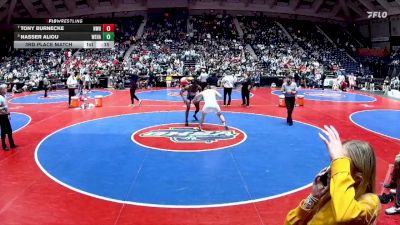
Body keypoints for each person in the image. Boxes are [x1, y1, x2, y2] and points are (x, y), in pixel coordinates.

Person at [285, 125, 380, 225]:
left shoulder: (370, 202)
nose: (331, 169)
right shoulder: (331, 192)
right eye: (333, 163)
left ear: (357, 178)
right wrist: (313, 197)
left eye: (340, 165)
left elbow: (344, 215)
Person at [0, 84, 17, 151]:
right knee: (3, 131)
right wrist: (4, 110)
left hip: (5, 115)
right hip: (1, 116)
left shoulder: (5, 96)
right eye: (5, 88)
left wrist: (8, 114)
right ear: (1, 90)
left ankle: (12, 144)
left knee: (9, 130)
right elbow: (2, 107)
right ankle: (4, 145)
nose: (6, 89)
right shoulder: (0, 98)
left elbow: (6, 106)